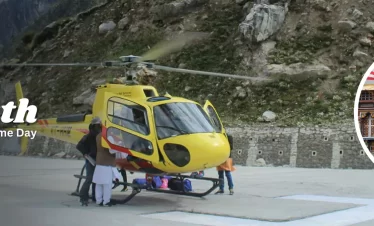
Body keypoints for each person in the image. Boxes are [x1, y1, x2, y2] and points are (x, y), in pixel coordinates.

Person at [92, 117, 119, 207]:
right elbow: (111, 151)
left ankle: (98, 200)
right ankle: (106, 201)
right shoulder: (108, 136)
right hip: (107, 164)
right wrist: (119, 148)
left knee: (99, 184)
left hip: (99, 162)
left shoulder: (98, 136)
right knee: (107, 184)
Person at [76, 118, 102, 206]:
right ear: (94, 126)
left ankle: (95, 196)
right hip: (90, 159)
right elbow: (79, 146)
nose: (99, 127)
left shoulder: (98, 135)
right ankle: (83, 196)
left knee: (96, 179)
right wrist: (86, 154)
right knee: (90, 178)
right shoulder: (89, 136)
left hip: (97, 159)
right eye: (98, 125)